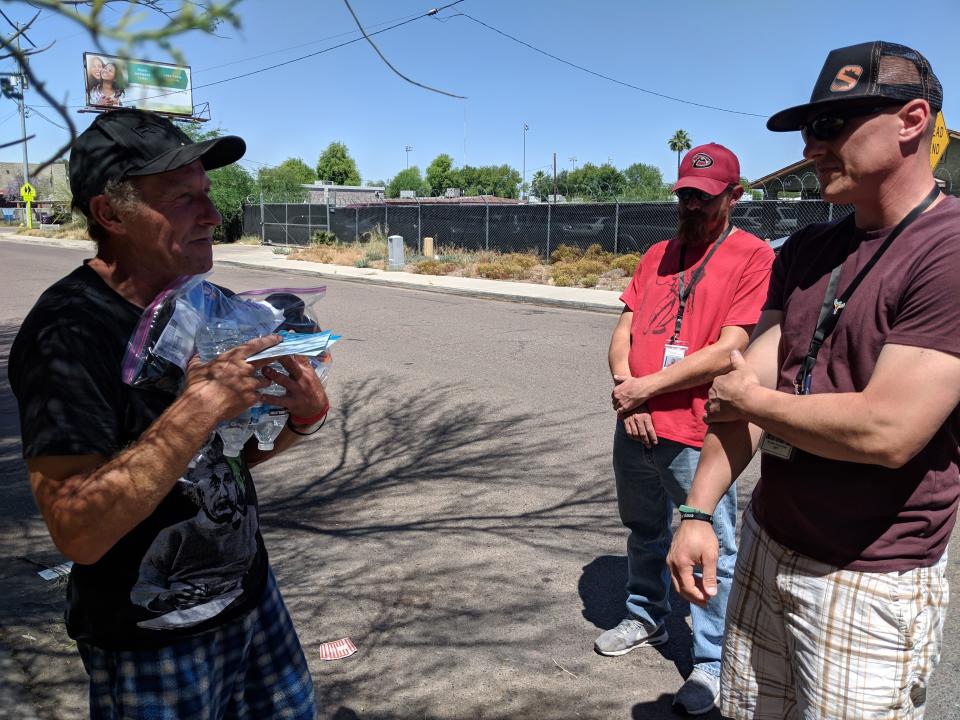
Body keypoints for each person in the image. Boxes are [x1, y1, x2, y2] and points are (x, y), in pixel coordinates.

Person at [667, 41, 960, 719]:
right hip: (768, 548)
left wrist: (753, 399)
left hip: (868, 580)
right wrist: (696, 510)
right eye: (809, 130)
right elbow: (743, 388)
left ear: (912, 120)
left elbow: (888, 431)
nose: (812, 146)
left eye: (831, 127)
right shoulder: (808, 249)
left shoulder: (946, 250)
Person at [8, 108, 331, 719]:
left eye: (206, 195)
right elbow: (78, 530)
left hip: (251, 601)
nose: (211, 215)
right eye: (183, 199)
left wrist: (301, 420)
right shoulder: (67, 335)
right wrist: (200, 405)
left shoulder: (202, 305)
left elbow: (220, 464)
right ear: (110, 214)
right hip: (150, 639)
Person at [596, 143, 774, 715]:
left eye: (705, 195)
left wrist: (649, 389)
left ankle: (711, 660)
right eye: (685, 194)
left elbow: (731, 349)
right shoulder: (655, 254)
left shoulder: (751, 257)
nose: (692, 204)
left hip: (698, 430)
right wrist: (630, 393)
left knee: (711, 548)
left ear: (734, 196)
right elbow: (623, 331)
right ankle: (645, 616)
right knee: (643, 527)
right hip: (637, 422)